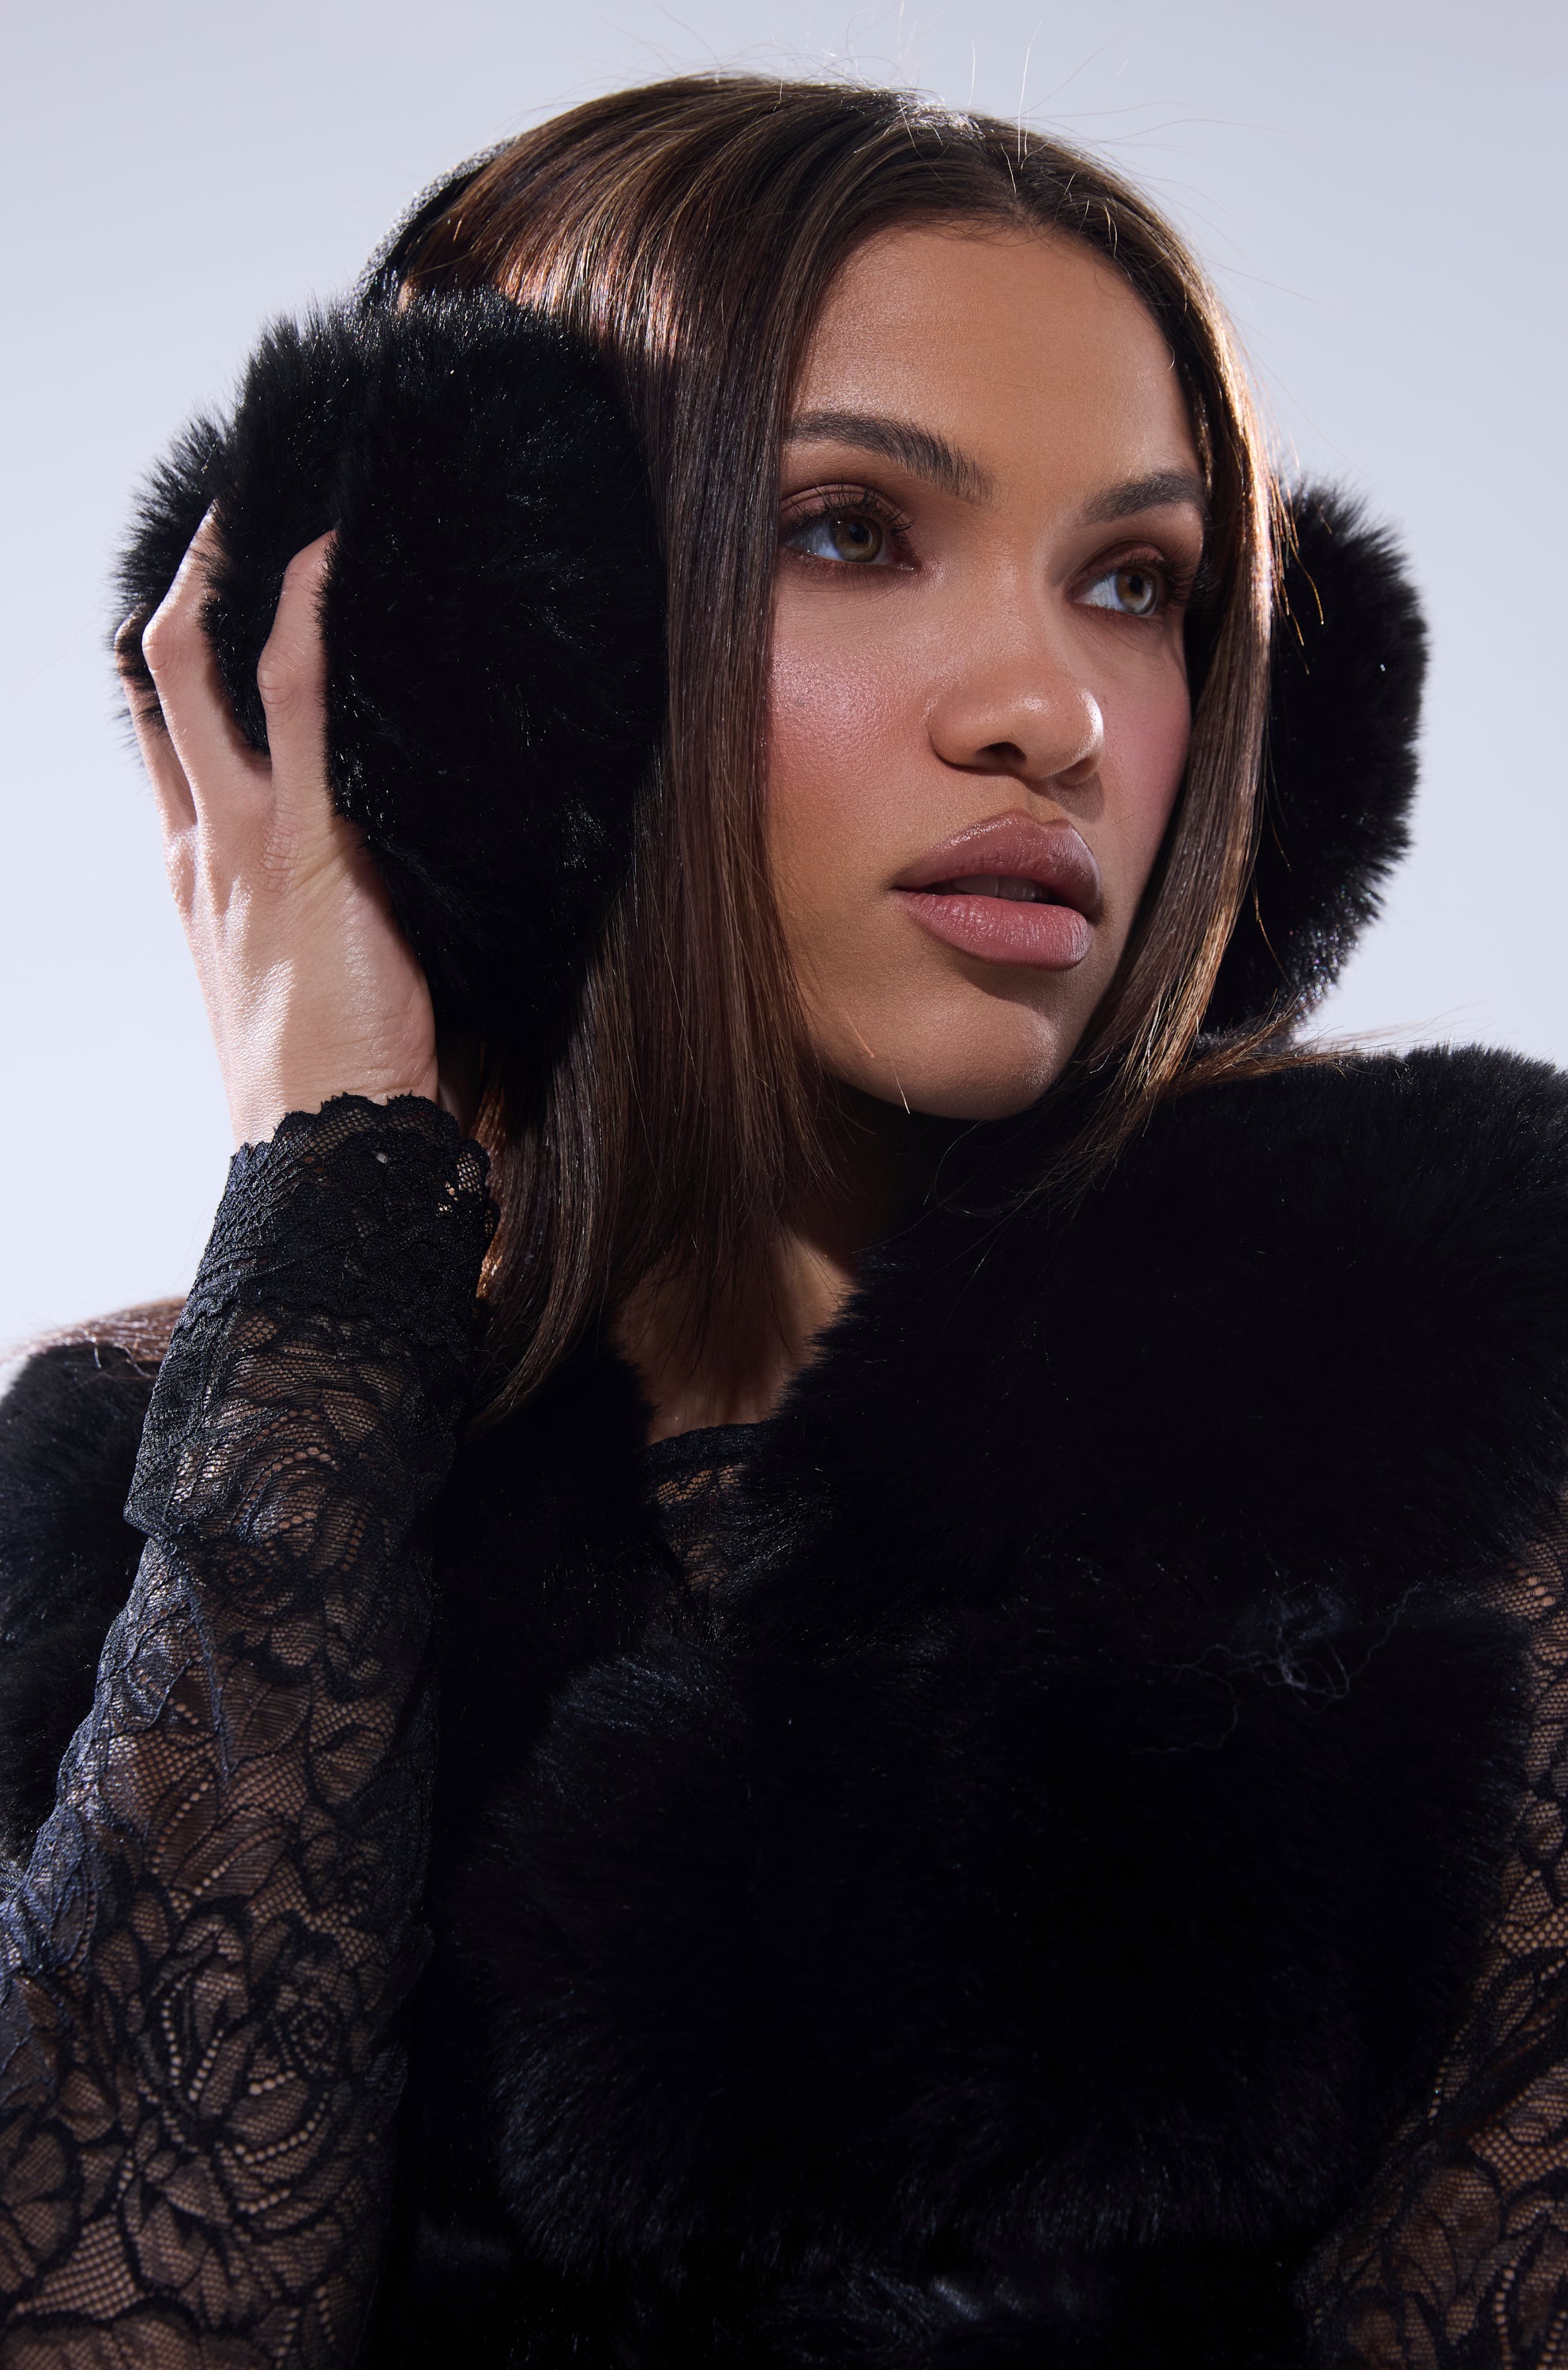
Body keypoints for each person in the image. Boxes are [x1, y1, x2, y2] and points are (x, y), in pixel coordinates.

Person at [2, 70, 1566, 2369]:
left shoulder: (1454, 1481)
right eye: (849, 527)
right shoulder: (168, 1477)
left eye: (1134, 584)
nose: (1050, 710)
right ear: (490, 653)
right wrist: (333, 1187)